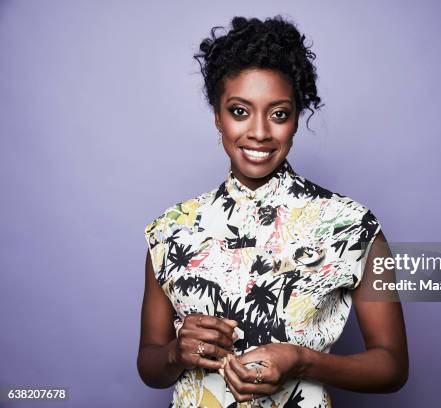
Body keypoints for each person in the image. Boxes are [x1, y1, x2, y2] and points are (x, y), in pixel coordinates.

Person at [137, 15, 408, 407]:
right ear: (218, 115)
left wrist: (302, 361)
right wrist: (175, 353)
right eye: (240, 111)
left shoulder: (354, 227)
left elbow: (393, 366)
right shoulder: (169, 232)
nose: (260, 132)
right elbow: (149, 365)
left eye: (278, 113)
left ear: (297, 118)